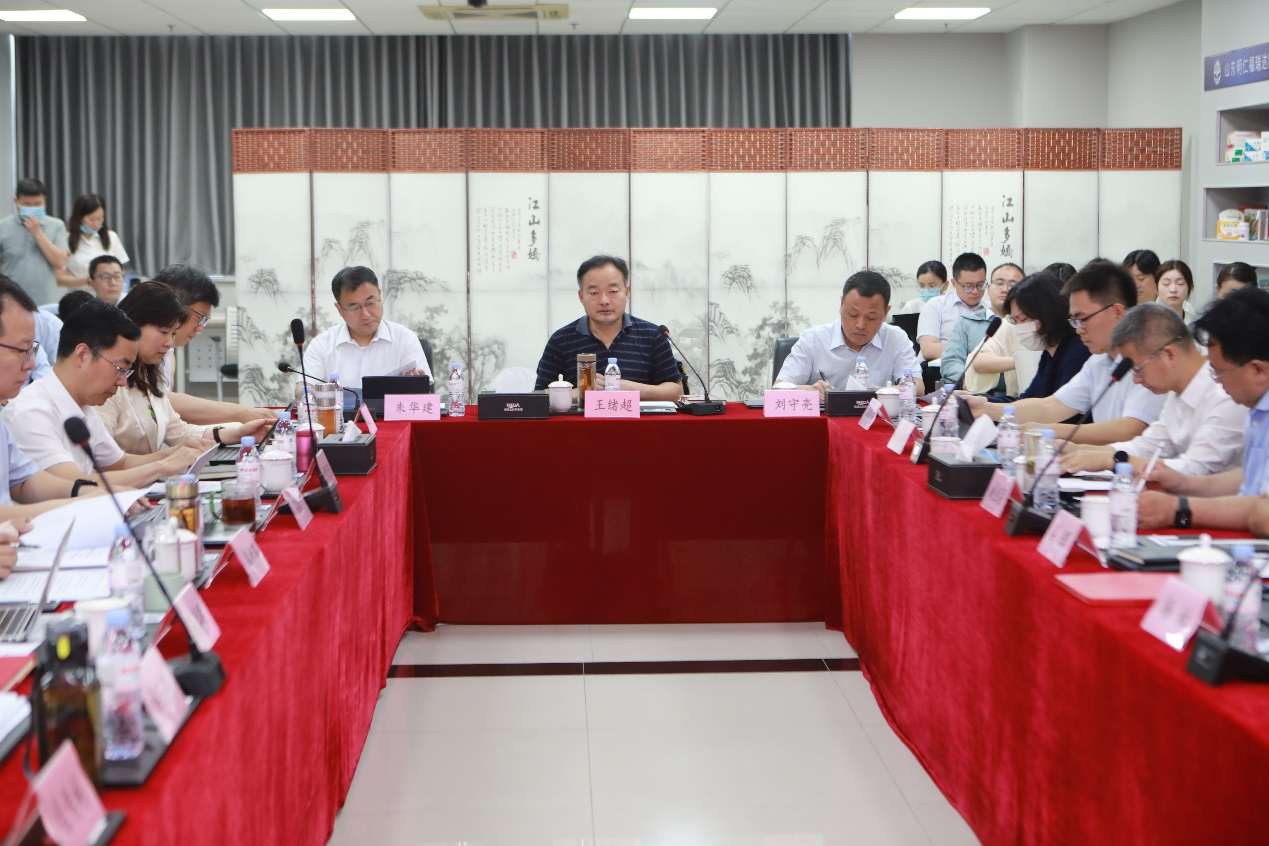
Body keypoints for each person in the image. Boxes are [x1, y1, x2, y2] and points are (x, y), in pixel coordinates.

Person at [960, 260, 1165, 444]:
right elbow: (1050, 406)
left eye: (1083, 319)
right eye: (1074, 320)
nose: (1079, 329)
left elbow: (1130, 429)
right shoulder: (1098, 363)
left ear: (1117, 312)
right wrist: (986, 407)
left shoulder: (1150, 358)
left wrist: (1045, 431)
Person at [1, 298, 200, 488]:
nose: (122, 382)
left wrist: (180, 452)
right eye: (120, 368)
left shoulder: (84, 405)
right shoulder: (30, 413)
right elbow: (74, 485)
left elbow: (119, 463)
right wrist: (162, 466)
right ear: (82, 355)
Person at [1059, 304, 1246, 477]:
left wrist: (1111, 461)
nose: (1136, 380)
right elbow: (1148, 446)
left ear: (1169, 355)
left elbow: (1194, 469)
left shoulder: (1225, 395)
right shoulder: (1177, 394)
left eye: (1138, 369)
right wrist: (1080, 451)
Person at [1137, 288, 1269, 531]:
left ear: (1258, 370)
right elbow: (1249, 479)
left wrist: (1178, 509)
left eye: (1220, 373)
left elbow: (1264, 513)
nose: (1217, 382)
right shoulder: (1257, 410)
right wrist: (1183, 484)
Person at [0, 276, 125, 521]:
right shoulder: (27, 411)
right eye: (22, 350)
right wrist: (82, 502)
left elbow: (24, 481)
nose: (31, 365)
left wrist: (87, 492)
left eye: (32, 350)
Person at [99, 283, 272, 455]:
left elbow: (180, 432)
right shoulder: (108, 382)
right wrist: (167, 461)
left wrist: (238, 433)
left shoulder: (151, 375)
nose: (169, 343)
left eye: (174, 333)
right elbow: (107, 461)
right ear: (134, 325)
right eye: (163, 332)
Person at [533, 255, 683, 400]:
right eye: (594, 293)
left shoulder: (653, 336)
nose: (604, 301)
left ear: (627, 293)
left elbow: (676, 392)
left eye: (613, 292)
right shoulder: (560, 340)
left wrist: (631, 389)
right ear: (581, 296)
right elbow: (538, 396)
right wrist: (581, 392)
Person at [153, 263, 278, 424]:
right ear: (174, 305)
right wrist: (241, 413)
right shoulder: (136, 347)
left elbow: (170, 416)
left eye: (204, 321)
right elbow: (164, 401)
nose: (200, 328)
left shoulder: (168, 353)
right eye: (200, 318)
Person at [774, 270, 924, 398]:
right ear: (841, 305)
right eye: (853, 314)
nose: (860, 325)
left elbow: (917, 387)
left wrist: (882, 392)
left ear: (886, 313)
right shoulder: (813, 339)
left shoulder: (895, 338)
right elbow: (778, 388)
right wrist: (808, 391)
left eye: (871, 317)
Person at [302, 265, 431, 401]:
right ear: (339, 309)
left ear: (379, 295)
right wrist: (329, 399)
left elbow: (424, 397)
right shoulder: (321, 345)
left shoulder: (405, 339)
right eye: (355, 307)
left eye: (370, 303)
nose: (366, 314)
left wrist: (415, 385)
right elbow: (303, 389)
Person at [982, 273, 1090, 402]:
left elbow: (1053, 408)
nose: (1019, 327)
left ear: (1047, 314)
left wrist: (988, 407)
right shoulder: (1049, 355)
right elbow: (1027, 400)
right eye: (1015, 321)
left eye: (1022, 319)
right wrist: (980, 402)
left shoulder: (1077, 352)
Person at [941, 262, 1023, 387]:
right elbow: (951, 360)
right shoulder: (967, 323)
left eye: (1012, 285)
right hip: (978, 392)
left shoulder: (1031, 325)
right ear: (988, 288)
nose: (1005, 289)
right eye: (999, 283)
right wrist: (965, 379)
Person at [0, 178, 68, 307]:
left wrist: (37, 232)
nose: (32, 208)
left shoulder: (57, 225)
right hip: (13, 302)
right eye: (27, 204)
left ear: (44, 201)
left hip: (48, 300)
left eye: (37, 204)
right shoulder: (3, 227)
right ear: (16, 201)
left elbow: (60, 262)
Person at [916, 252, 987, 362]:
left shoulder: (990, 309)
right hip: (938, 368)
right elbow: (928, 349)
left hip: (981, 367)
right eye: (968, 286)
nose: (975, 291)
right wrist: (974, 353)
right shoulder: (936, 305)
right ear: (954, 283)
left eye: (980, 285)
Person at [59, 194, 130, 288]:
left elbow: (122, 270)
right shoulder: (65, 239)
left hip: (108, 293)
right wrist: (89, 281)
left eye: (100, 219)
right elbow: (60, 279)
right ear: (79, 217)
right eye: (91, 219)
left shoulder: (111, 237)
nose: (96, 224)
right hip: (80, 293)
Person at [1154, 259, 1196, 323]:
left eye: (1180, 283)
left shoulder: (1194, 324)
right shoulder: (1147, 323)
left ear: (1190, 287)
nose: (1173, 290)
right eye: (1166, 283)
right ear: (1156, 287)